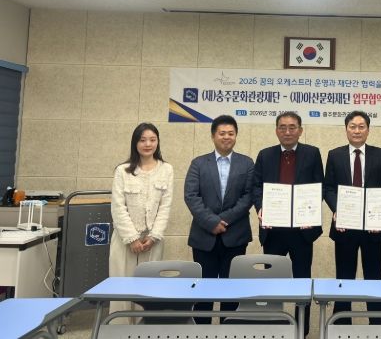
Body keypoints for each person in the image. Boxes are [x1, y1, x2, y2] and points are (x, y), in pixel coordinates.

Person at [253, 111, 323, 336]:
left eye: (292, 127)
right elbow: (256, 187)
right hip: (273, 230)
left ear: (300, 130)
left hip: (302, 231)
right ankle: (271, 328)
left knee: (302, 283)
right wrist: (260, 207)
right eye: (282, 127)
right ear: (276, 131)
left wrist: (310, 214)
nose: (287, 131)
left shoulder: (312, 153)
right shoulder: (265, 155)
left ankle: (302, 330)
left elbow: (319, 187)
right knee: (271, 284)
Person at [323, 110, 381, 325]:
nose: (357, 130)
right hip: (345, 227)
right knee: (344, 280)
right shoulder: (334, 155)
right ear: (346, 129)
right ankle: (341, 328)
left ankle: (377, 328)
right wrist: (337, 209)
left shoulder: (380, 154)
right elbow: (328, 188)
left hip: (373, 228)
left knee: (374, 280)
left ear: (368, 130)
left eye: (361, 126)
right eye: (352, 126)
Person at [184, 115, 254, 323]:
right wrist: (211, 222)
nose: (226, 137)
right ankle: (202, 332)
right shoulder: (198, 163)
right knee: (203, 292)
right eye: (222, 133)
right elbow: (191, 196)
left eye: (231, 133)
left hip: (235, 237)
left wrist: (223, 220)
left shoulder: (247, 163)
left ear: (236, 136)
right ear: (213, 136)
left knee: (231, 292)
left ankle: (228, 330)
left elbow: (249, 196)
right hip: (204, 237)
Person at [109, 122, 174, 319]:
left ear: (158, 142)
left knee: (148, 291)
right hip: (124, 240)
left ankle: (144, 329)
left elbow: (165, 206)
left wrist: (153, 237)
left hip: (152, 241)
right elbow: (118, 207)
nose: (148, 144)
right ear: (135, 143)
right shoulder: (122, 170)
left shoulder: (167, 169)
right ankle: (119, 330)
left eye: (152, 140)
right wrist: (132, 238)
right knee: (121, 290)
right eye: (143, 140)